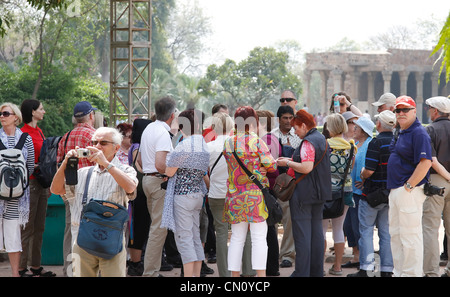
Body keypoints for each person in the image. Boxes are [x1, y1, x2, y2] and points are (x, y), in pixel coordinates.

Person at [50, 127, 138, 277]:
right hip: (82, 241)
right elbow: (56, 190)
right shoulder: (83, 173)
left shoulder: (126, 170)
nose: (97, 146)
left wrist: (107, 164)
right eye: (93, 142)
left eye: (103, 143)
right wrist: (66, 162)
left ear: (116, 148)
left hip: (112, 241)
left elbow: (130, 187)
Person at [277, 110, 331, 277]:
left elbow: (306, 167)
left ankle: (301, 273)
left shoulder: (308, 142)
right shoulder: (321, 138)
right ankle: (315, 272)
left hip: (304, 194)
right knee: (315, 235)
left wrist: (288, 162)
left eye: (296, 128)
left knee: (302, 237)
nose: (295, 132)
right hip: (319, 192)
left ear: (303, 125)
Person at [223, 106, 277, 277]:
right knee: (259, 238)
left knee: (236, 239)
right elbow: (272, 166)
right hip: (255, 198)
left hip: (235, 196)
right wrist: (261, 167)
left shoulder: (228, 142)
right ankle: (261, 277)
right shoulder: (257, 142)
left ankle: (234, 276)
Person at [161, 109, 210, 277]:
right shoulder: (203, 144)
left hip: (183, 196)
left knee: (184, 239)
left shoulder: (184, 145)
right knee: (195, 237)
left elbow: (169, 172)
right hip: (197, 195)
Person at [387, 96, 432, 277]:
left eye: (405, 109)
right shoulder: (401, 131)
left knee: (410, 237)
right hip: (396, 189)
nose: (401, 113)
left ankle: (412, 275)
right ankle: (400, 273)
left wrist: (409, 186)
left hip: (408, 190)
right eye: (398, 110)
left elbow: (425, 162)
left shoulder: (418, 132)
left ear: (415, 111)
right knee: (396, 236)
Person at [348, 110, 395, 277]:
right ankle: (387, 269)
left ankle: (366, 268)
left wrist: (362, 174)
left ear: (379, 124)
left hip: (372, 194)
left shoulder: (376, 142)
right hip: (390, 194)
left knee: (366, 232)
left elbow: (368, 170)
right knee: (385, 233)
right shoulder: (396, 141)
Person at [56, 100, 97, 276]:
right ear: (91, 116)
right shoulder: (95, 136)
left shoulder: (65, 137)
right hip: (92, 189)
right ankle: (90, 270)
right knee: (94, 228)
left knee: (70, 229)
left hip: (69, 189)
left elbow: (59, 163)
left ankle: (69, 270)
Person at [139, 97, 176, 277]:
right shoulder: (162, 133)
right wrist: (173, 173)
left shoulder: (148, 128)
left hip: (148, 179)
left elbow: (138, 160)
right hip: (158, 181)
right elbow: (161, 164)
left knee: (155, 228)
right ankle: (150, 273)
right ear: (172, 115)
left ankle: (152, 270)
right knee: (158, 230)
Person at [18, 99, 55, 277]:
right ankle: (20, 267)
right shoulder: (23, 133)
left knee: (39, 226)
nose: (44, 112)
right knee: (27, 227)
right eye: (41, 109)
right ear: (32, 112)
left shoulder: (38, 131)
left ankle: (35, 266)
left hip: (41, 183)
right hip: (29, 184)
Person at [0, 103, 34, 277]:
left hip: (17, 197)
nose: (2, 116)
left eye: (6, 113)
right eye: (0, 114)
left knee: (14, 238)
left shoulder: (26, 138)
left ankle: (15, 274)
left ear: (16, 117)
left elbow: (30, 167)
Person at [323, 113, 356, 275]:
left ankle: (319, 267)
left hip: (326, 192)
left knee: (321, 229)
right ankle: (337, 267)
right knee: (338, 229)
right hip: (345, 192)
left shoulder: (325, 145)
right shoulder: (351, 146)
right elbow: (351, 168)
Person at [271, 105, 300, 268]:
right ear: (279, 119)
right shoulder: (271, 137)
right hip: (274, 184)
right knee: (272, 220)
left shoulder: (298, 136)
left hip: (290, 185)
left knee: (289, 220)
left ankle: (288, 254)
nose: (288, 121)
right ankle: (272, 253)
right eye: (285, 118)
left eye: (291, 118)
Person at [423, 96, 450, 277]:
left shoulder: (431, 129)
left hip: (438, 180)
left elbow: (431, 161)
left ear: (434, 111)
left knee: (431, 227)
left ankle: (431, 272)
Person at [256, 110, 281, 276]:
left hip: (267, 188)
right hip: (266, 188)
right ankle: (270, 266)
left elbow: (273, 168)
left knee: (268, 229)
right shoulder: (265, 140)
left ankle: (271, 267)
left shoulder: (268, 140)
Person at [126, 118, 152, 276]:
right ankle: (135, 264)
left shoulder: (135, 146)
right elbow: (139, 167)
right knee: (139, 228)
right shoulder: (137, 147)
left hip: (139, 192)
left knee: (141, 227)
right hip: (139, 193)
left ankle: (137, 262)